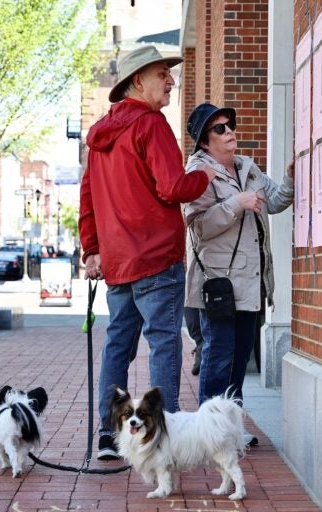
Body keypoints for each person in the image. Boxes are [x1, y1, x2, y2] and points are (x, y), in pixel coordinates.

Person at [79, 46, 216, 461]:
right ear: (137, 81)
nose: (171, 80)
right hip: (157, 259)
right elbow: (172, 187)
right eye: (162, 73)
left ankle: (108, 434)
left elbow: (87, 197)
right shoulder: (151, 124)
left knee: (117, 346)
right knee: (164, 345)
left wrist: (92, 250)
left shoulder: (102, 134)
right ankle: (163, 438)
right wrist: (203, 175)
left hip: (119, 265)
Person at [183, 102, 294, 446]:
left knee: (239, 360)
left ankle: (232, 429)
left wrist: (292, 175)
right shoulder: (198, 174)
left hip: (252, 280)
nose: (230, 132)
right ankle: (208, 432)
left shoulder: (247, 166)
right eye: (220, 129)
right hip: (219, 284)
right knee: (218, 358)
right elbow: (198, 227)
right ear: (204, 141)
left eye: (230, 125)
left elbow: (275, 201)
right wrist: (236, 204)